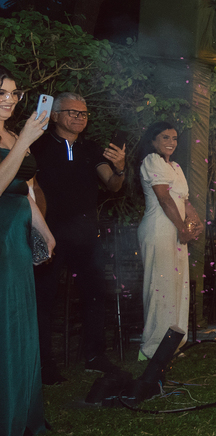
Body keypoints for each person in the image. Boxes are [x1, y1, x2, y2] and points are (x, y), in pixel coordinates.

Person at [30, 92, 127, 381]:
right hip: (49, 232)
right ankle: (44, 363)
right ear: (55, 115)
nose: (78, 117)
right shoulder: (38, 145)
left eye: (83, 113)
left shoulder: (91, 149)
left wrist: (120, 166)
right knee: (44, 298)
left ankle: (95, 356)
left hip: (86, 234)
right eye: (72, 112)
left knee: (96, 294)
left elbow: (113, 184)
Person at [0, 68, 53, 436]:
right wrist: (23, 145)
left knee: (18, 318)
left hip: (17, 235)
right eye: (1, 92)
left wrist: (45, 231)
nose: (9, 99)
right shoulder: (19, 139)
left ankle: (21, 410)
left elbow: (23, 190)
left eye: (14, 93)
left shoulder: (16, 134)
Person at [131, 122, 197, 361]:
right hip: (159, 229)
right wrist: (182, 228)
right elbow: (163, 197)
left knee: (178, 287)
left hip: (177, 230)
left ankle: (173, 344)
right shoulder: (152, 161)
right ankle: (152, 348)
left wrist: (194, 222)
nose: (171, 142)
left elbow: (184, 201)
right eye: (165, 137)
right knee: (159, 287)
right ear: (153, 140)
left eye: (175, 138)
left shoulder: (176, 167)